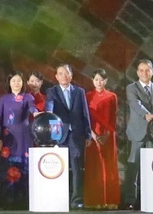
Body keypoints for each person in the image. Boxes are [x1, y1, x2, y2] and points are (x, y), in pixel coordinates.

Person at [44, 64, 97, 210]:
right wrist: (48, 114)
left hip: (77, 136)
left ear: (71, 76)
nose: (64, 76)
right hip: (59, 136)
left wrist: (87, 134)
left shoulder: (79, 92)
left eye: (66, 73)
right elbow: (49, 107)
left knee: (77, 168)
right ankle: (60, 198)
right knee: (59, 168)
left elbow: (85, 113)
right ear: (56, 77)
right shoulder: (52, 91)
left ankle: (76, 200)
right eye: (60, 74)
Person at [122, 59, 153, 209]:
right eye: (141, 70)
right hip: (137, 132)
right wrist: (147, 115)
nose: (144, 73)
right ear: (137, 72)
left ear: (152, 72)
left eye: (147, 70)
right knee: (133, 167)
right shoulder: (131, 88)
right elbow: (135, 104)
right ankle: (130, 200)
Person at [0, 72, 37, 208]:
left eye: (19, 81)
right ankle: (7, 201)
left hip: (24, 138)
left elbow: (32, 108)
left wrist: (36, 113)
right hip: (8, 138)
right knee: (7, 168)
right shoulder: (4, 99)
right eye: (13, 81)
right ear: (9, 83)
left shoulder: (28, 97)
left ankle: (23, 201)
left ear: (23, 83)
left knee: (24, 167)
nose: (16, 83)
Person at [84, 69, 119, 209]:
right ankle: (94, 201)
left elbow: (114, 117)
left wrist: (107, 134)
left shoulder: (112, 96)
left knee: (109, 166)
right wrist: (93, 135)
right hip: (92, 135)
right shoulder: (87, 96)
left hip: (108, 135)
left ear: (106, 81)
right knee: (94, 168)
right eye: (96, 79)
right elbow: (85, 117)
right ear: (92, 80)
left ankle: (110, 200)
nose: (99, 82)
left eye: (101, 79)